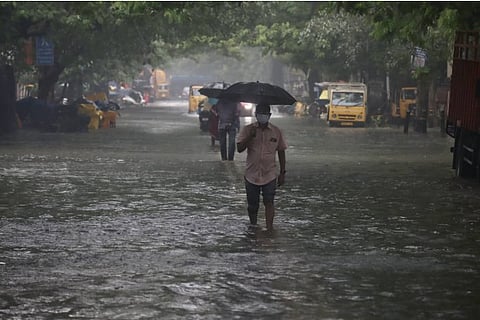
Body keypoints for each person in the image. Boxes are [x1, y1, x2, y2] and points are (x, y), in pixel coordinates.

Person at [237, 103, 287, 230]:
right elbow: (239, 148)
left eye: (265, 114)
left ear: (269, 115)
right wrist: (250, 136)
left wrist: (282, 173)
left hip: (269, 174)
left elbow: (281, 151)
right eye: (260, 113)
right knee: (252, 205)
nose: (262, 116)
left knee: (269, 201)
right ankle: (253, 226)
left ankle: (269, 229)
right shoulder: (248, 129)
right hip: (251, 174)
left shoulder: (276, 131)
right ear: (256, 115)